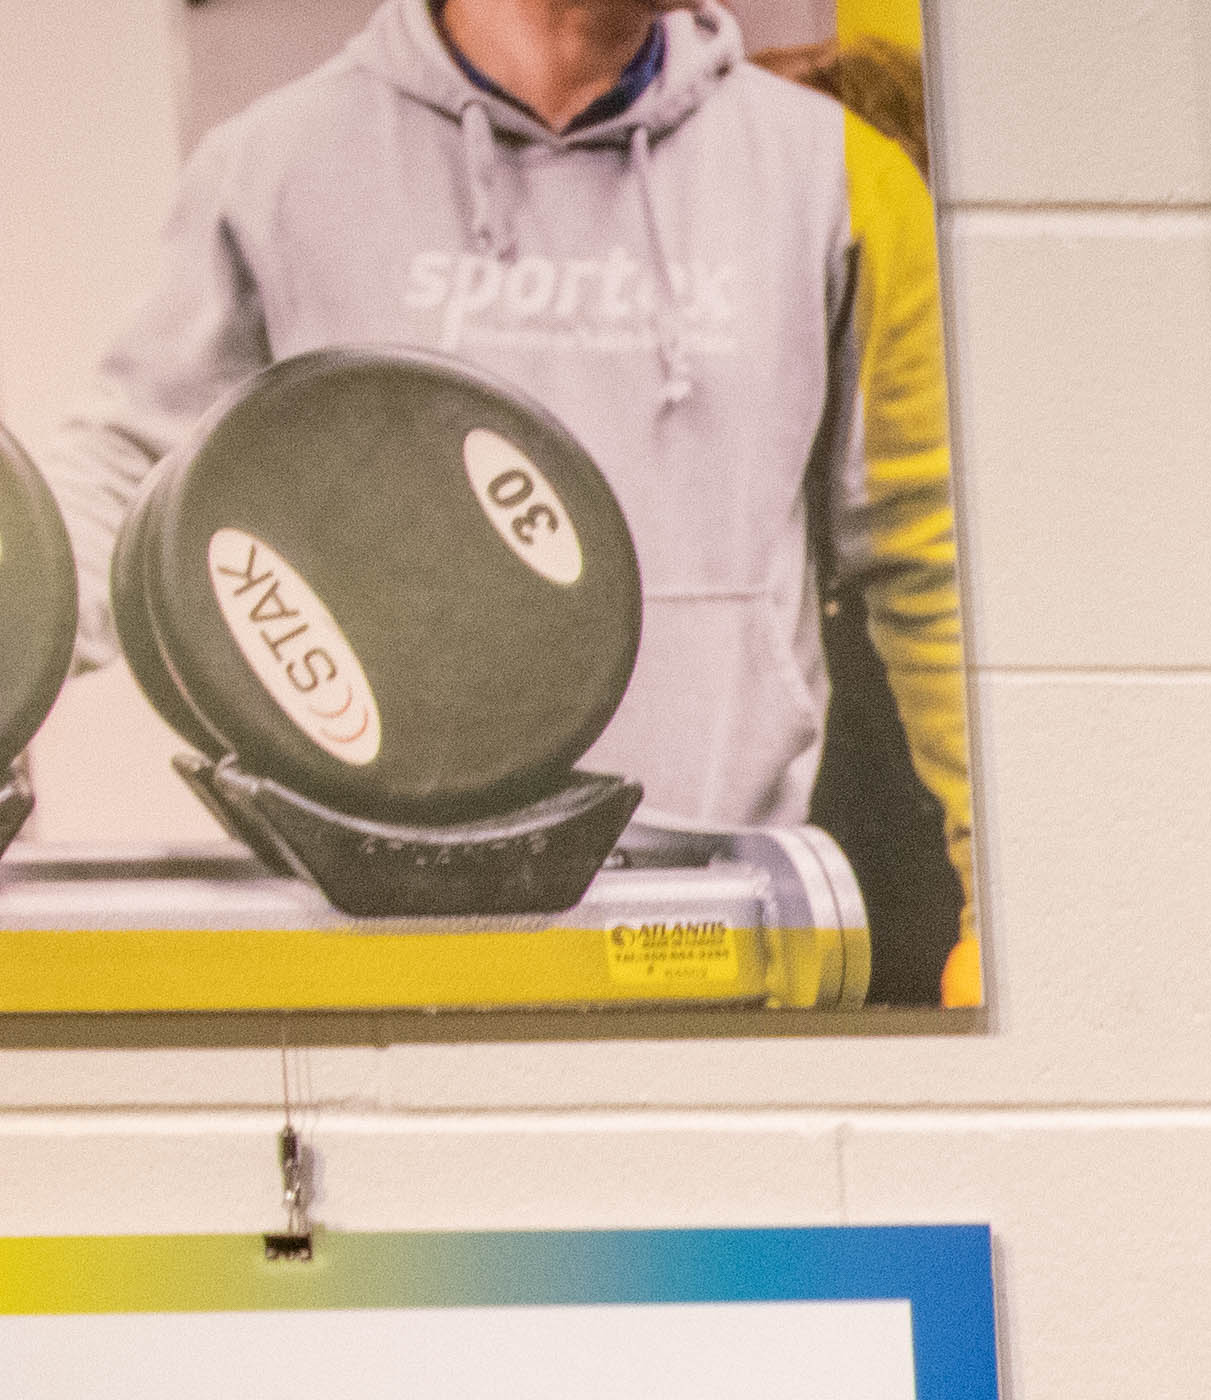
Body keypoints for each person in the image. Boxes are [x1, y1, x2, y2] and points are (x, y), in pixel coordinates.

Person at [56, 0, 972, 997]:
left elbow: (938, 562)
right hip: (378, 925)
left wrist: (1006, 904)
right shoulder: (277, 164)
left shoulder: (837, 173)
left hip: (715, 920)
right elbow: (126, 477)